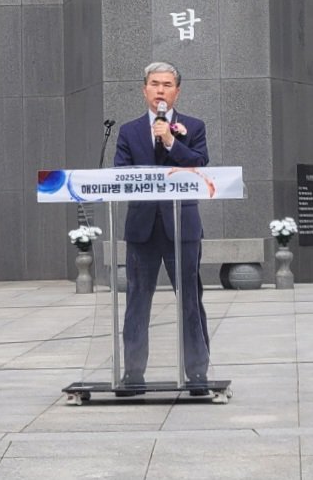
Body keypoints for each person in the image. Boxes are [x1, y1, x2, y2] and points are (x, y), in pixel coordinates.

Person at [114, 61, 211, 394]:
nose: (160, 90)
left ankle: (198, 374)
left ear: (177, 91)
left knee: (190, 301)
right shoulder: (128, 131)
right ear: (144, 90)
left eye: (167, 84)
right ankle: (133, 373)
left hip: (181, 227)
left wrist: (170, 141)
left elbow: (199, 163)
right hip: (142, 229)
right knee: (137, 301)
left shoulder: (193, 126)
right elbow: (121, 174)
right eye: (154, 84)